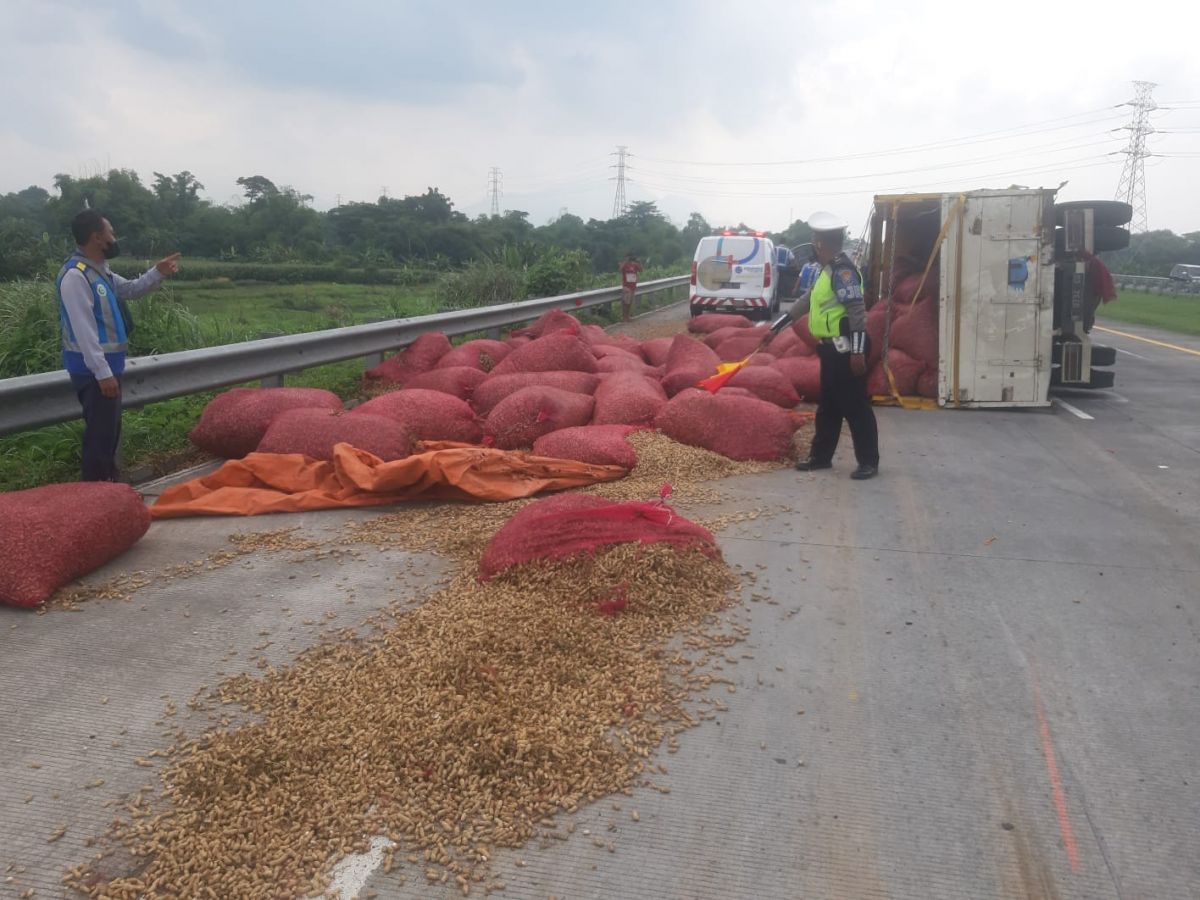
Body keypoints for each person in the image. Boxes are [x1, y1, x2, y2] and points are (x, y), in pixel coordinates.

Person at [56, 209, 181, 481]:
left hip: (108, 370)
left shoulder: (100, 272)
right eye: (111, 233)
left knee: (108, 435)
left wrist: (156, 273)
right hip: (94, 373)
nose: (115, 238)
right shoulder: (76, 277)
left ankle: (107, 493)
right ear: (97, 237)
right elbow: (84, 330)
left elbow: (132, 290)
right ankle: (96, 497)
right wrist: (102, 373)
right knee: (100, 439)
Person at [790, 212, 879, 480]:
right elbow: (807, 301)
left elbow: (857, 311)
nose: (813, 244)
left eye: (815, 239)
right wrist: (777, 326)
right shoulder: (825, 270)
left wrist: (858, 350)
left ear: (820, 243)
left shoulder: (842, 270)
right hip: (829, 348)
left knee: (855, 406)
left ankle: (869, 461)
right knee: (828, 405)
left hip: (846, 346)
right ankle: (820, 457)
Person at [618, 253, 642, 323]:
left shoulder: (635, 265)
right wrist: (625, 261)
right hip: (626, 286)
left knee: (630, 303)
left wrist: (639, 262)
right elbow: (619, 270)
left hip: (633, 286)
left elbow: (641, 270)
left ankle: (628, 317)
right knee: (626, 303)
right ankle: (624, 317)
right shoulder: (624, 264)